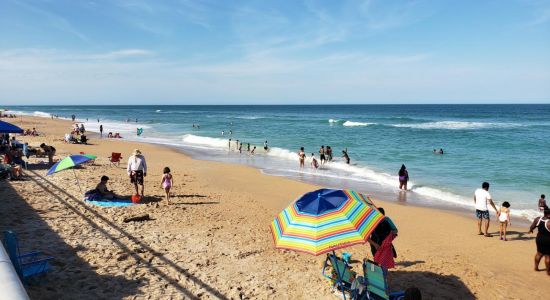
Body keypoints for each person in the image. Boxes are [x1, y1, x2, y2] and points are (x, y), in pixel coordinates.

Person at [528, 209, 550, 276]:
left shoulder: (538, 219)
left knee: (539, 253)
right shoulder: (549, 222)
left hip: (539, 239)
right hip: (548, 240)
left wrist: (531, 230)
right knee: (548, 256)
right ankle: (548, 272)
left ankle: (536, 267)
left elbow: (532, 227)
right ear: (549, 215)